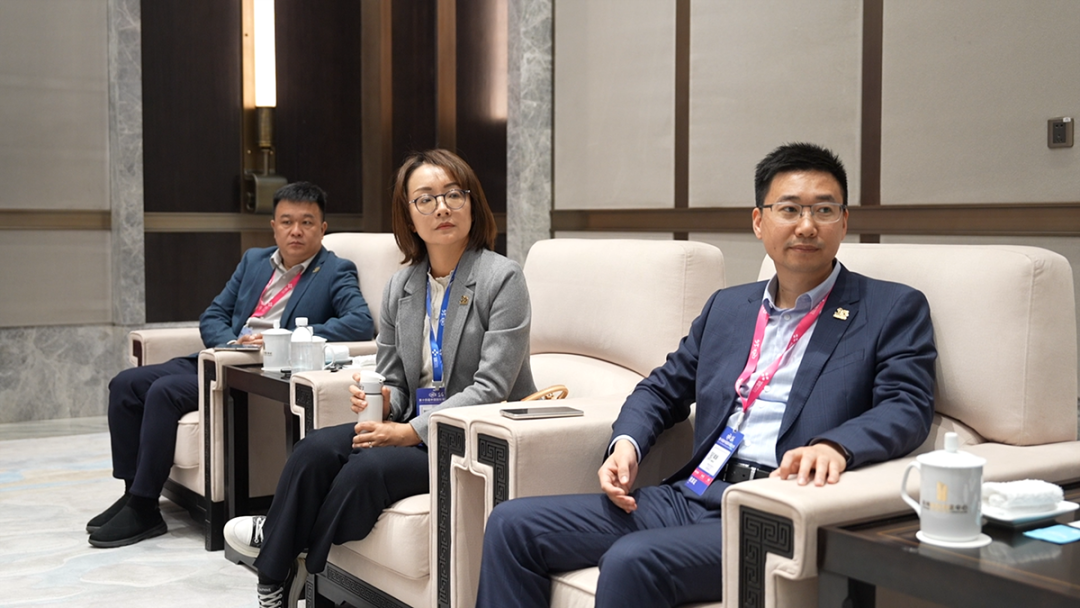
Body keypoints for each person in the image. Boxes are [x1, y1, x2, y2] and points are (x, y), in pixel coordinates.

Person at [475, 143, 937, 608]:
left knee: (632, 560)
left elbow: (907, 405)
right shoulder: (729, 307)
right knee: (513, 526)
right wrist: (626, 445)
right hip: (695, 491)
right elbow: (662, 389)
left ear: (844, 221)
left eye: (824, 209)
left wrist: (835, 446)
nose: (806, 225)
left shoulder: (889, 307)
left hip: (777, 505)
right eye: (789, 209)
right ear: (759, 221)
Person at [223, 149, 537, 608]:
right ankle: (277, 568)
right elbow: (394, 377)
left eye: (453, 194)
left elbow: (491, 388)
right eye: (425, 199)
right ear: (408, 216)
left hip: (471, 438)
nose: (442, 208)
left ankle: (279, 554)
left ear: (473, 204)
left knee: (366, 470)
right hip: (412, 422)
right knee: (314, 450)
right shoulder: (401, 286)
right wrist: (386, 398)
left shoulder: (502, 278)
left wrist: (409, 432)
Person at [88, 182, 374, 548]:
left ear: (323, 228)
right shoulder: (254, 261)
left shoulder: (334, 270)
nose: (296, 231)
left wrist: (283, 337)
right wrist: (229, 343)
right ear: (274, 226)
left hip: (254, 371)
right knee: (125, 385)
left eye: (307, 222)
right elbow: (214, 314)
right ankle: (134, 495)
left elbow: (359, 323)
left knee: (164, 392)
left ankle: (144, 507)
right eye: (287, 222)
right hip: (220, 357)